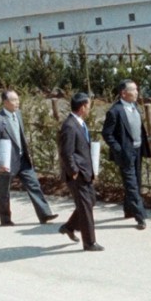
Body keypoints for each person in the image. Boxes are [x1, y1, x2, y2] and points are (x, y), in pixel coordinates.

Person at [0, 88, 56, 226]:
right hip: (7, 162)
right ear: (5, 102)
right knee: (4, 192)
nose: (17, 102)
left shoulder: (18, 114)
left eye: (18, 99)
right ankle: (5, 219)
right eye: (14, 100)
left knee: (34, 184)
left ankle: (45, 214)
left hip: (22, 159)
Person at [101, 79, 151, 229]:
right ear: (124, 93)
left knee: (137, 182)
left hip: (137, 150)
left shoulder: (135, 106)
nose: (136, 92)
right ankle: (140, 216)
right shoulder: (114, 111)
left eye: (137, 89)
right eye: (133, 90)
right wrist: (119, 149)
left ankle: (129, 210)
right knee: (131, 184)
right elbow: (107, 133)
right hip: (125, 153)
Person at [57, 92, 102, 250]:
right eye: (88, 106)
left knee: (91, 201)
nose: (89, 109)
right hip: (77, 174)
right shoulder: (69, 126)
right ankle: (89, 243)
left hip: (86, 171)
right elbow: (66, 152)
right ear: (83, 107)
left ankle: (69, 227)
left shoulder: (80, 123)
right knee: (85, 207)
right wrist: (73, 171)